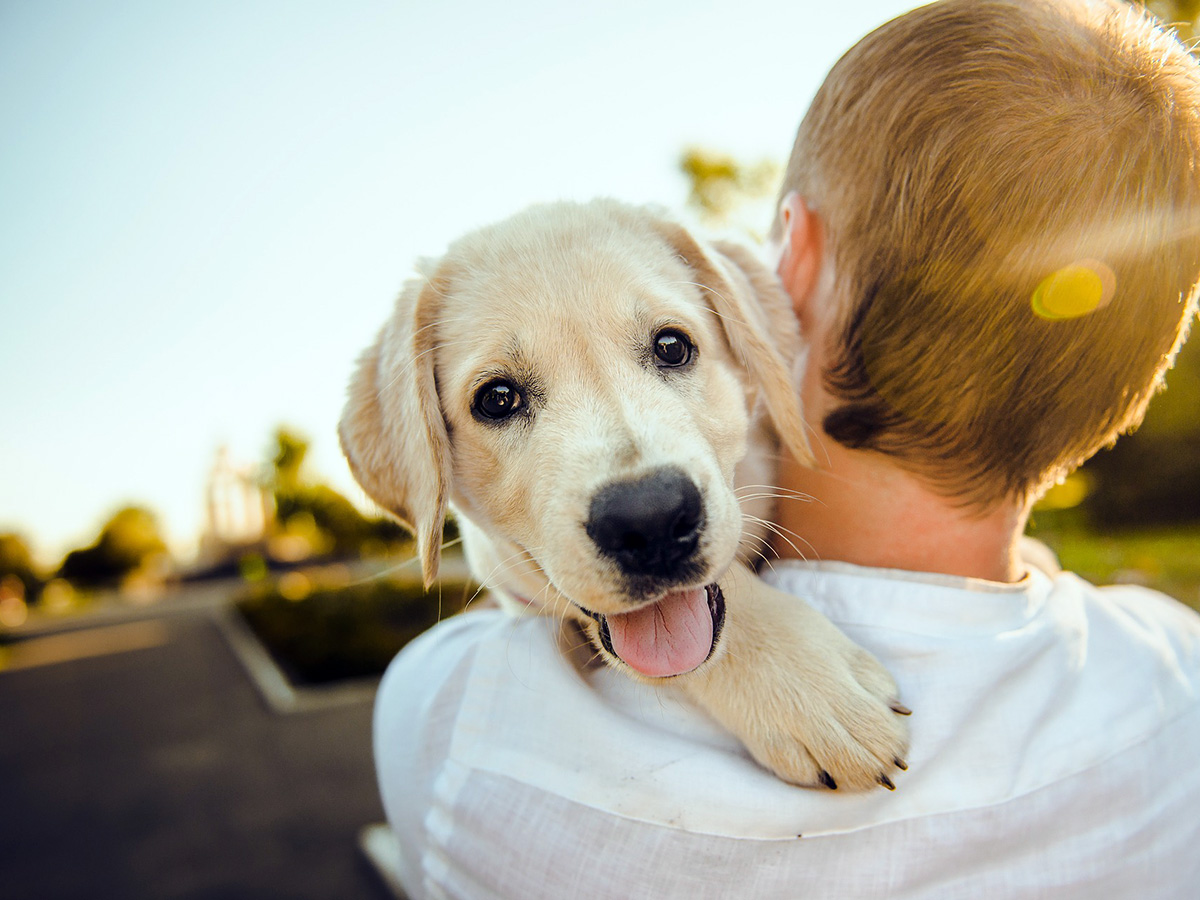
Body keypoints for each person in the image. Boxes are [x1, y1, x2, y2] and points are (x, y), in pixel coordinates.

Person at [372, 1, 1200, 896]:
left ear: (787, 266)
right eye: (502, 399)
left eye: (670, 349)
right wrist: (736, 633)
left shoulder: (454, 720)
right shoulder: (1174, 676)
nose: (639, 487)